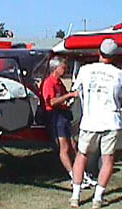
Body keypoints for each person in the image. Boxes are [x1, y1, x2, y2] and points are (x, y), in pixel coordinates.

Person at [69, 39, 122, 209]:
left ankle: (75, 196)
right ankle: (98, 198)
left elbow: (77, 90)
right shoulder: (119, 74)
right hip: (111, 121)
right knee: (107, 159)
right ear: (114, 56)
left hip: (89, 121)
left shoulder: (85, 70)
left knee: (81, 156)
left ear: (99, 52)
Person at [42, 56, 96, 189]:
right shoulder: (49, 83)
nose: (65, 70)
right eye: (63, 67)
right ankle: (73, 176)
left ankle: (82, 174)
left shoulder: (59, 82)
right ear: (56, 68)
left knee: (74, 146)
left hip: (63, 116)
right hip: (55, 117)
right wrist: (69, 95)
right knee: (64, 148)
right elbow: (51, 102)